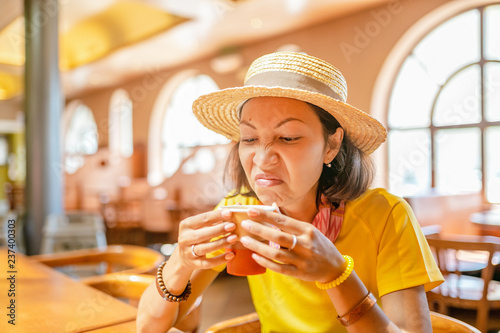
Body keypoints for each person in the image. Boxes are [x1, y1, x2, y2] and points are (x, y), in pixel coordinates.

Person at [137, 51, 443, 333]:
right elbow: (148, 327)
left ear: (332, 145)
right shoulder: (239, 211)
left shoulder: (386, 216)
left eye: (287, 137)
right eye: (249, 138)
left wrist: (337, 275)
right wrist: (180, 260)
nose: (262, 159)